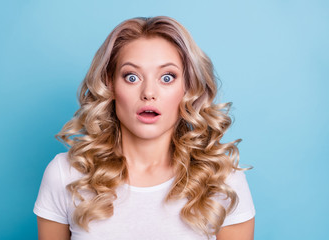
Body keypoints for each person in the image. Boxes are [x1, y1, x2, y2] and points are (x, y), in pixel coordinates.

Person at [34, 16, 255, 240]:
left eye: (167, 77)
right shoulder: (66, 174)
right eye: (132, 77)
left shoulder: (223, 180)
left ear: (188, 87)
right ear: (110, 84)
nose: (149, 92)